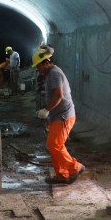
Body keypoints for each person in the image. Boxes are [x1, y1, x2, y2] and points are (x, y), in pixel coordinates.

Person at [33, 47, 85, 184]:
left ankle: (75, 167)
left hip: (64, 116)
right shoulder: (50, 74)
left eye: (38, 66)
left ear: (45, 63)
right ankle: (62, 175)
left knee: (55, 144)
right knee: (53, 144)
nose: (38, 69)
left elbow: (58, 96)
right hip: (58, 116)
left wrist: (46, 110)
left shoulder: (54, 74)